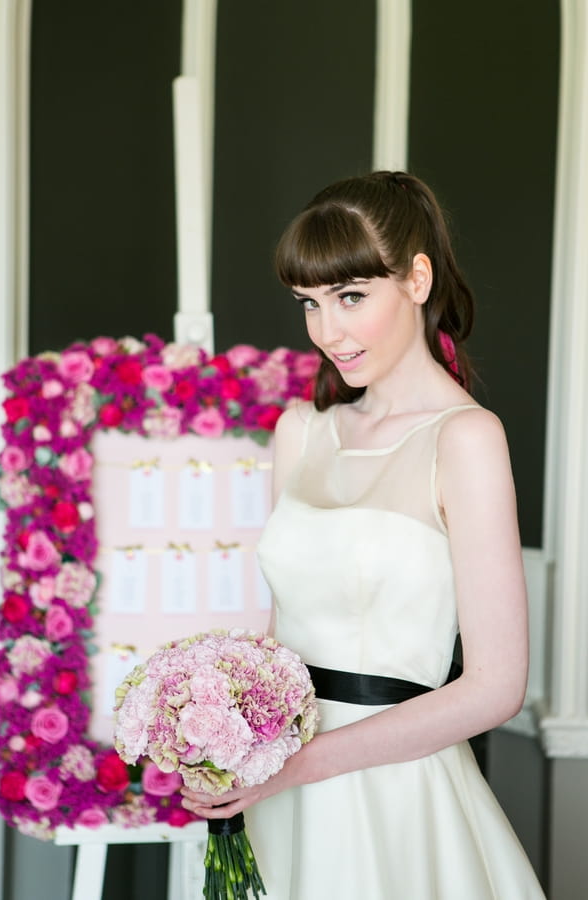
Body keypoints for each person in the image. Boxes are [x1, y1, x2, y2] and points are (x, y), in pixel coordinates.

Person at [183, 171, 545, 898]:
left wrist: (303, 765)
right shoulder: (300, 432)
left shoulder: (466, 439)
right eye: (310, 304)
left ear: (417, 279)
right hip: (280, 795)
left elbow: (496, 688)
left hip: (393, 795)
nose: (327, 332)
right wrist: (226, 739)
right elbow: (278, 644)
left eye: (351, 298)